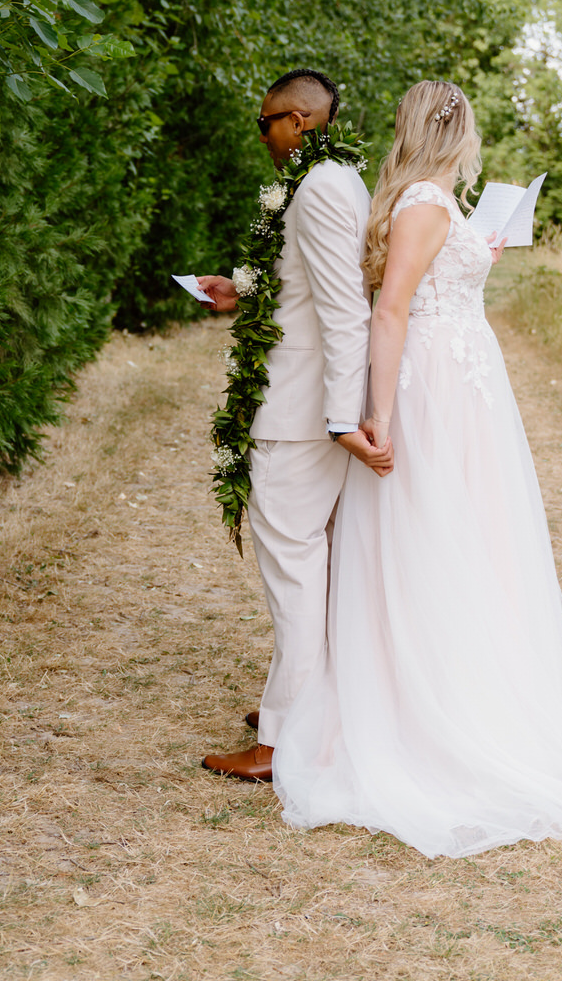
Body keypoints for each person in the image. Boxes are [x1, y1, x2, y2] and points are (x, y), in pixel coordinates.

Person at [272, 80, 562, 857]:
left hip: (464, 384)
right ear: (455, 133)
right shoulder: (427, 201)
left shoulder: (435, 203)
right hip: (431, 388)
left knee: (465, 534)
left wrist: (480, 248)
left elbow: (435, 279)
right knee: (428, 531)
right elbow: (393, 308)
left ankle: (466, 688)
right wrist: (382, 414)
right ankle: (417, 714)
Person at [197, 68, 391, 782]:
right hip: (312, 407)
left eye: (266, 121)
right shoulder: (330, 183)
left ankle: (283, 742)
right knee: (313, 565)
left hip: (305, 415)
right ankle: (303, 697)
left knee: (295, 570)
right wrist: (239, 290)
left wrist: (344, 416)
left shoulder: (316, 190)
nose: (262, 135)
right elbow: (306, 290)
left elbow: (348, 310)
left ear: (300, 122)